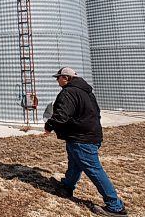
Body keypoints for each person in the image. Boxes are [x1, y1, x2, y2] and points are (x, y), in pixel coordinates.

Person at [44, 67, 127, 217]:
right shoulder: (87, 92)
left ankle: (115, 206)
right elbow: (96, 113)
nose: (57, 81)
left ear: (66, 78)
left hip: (81, 138)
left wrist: (49, 126)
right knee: (75, 163)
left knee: (94, 170)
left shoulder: (68, 92)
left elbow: (62, 115)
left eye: (58, 78)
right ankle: (67, 187)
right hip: (90, 135)